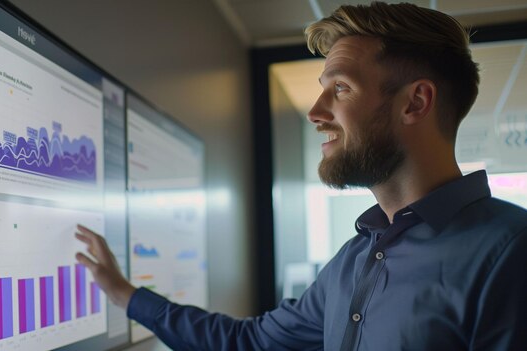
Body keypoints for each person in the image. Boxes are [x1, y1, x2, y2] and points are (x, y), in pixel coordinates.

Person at [75, 2, 527, 350]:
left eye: (341, 88)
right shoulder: (354, 260)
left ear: (414, 103)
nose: (316, 112)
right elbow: (248, 343)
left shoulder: (509, 252)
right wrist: (125, 295)